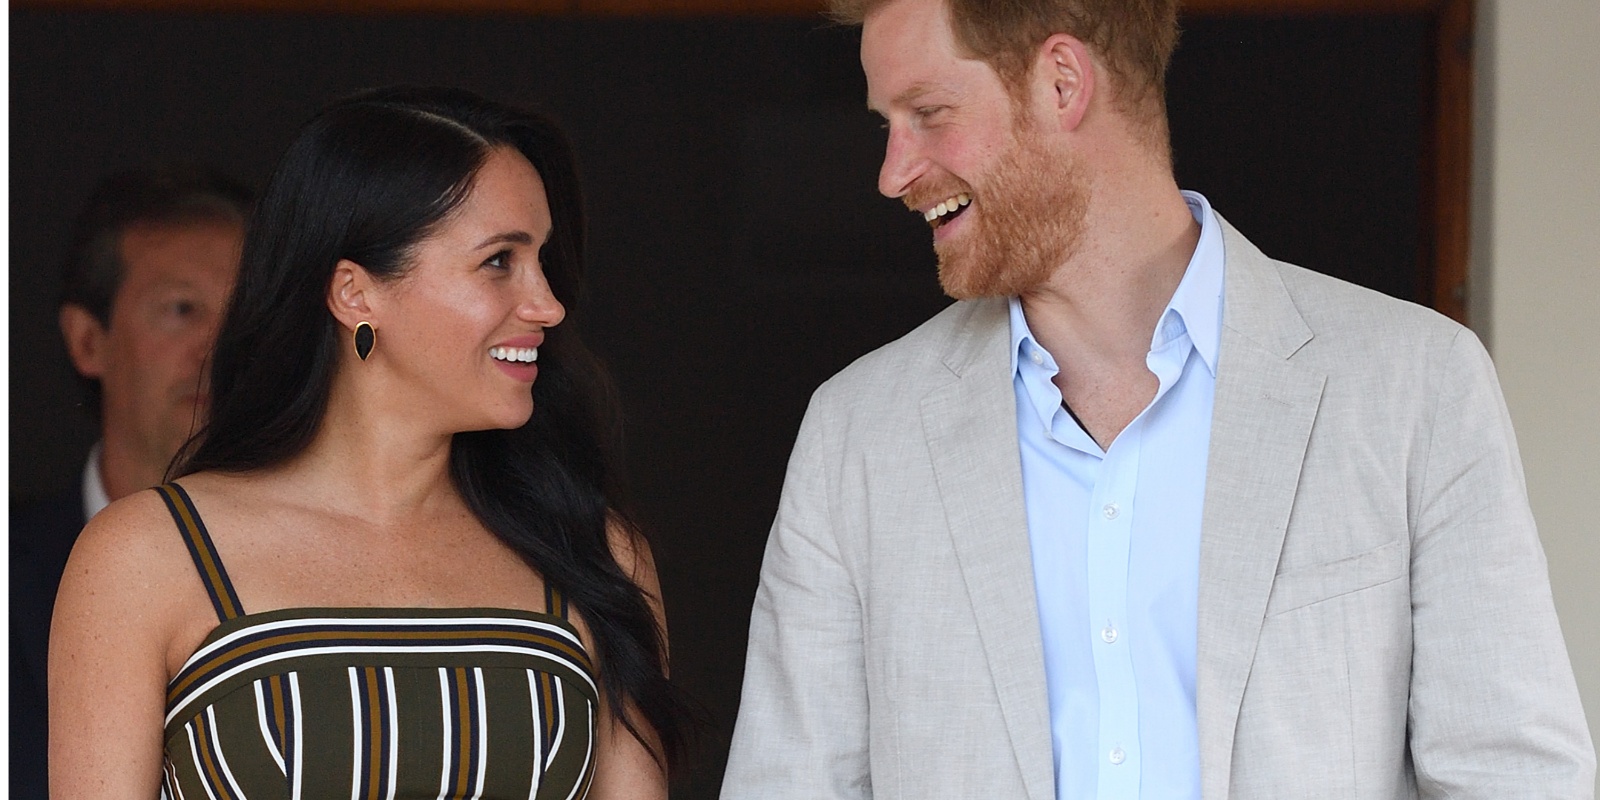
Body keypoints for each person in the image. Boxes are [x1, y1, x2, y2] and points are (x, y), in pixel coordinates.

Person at [721, 0, 1595, 798]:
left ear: (1063, 82)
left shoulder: (1415, 387)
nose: (892, 170)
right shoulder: (855, 438)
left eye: (929, 114)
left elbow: (1515, 778)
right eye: (889, 124)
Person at [50, 86, 688, 799]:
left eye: (541, 259)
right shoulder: (146, 553)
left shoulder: (594, 551)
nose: (547, 304)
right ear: (355, 294)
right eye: (500, 261)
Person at [11, 165, 250, 800]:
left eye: (245, 315)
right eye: (181, 310)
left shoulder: (338, 570)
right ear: (88, 340)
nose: (218, 350)